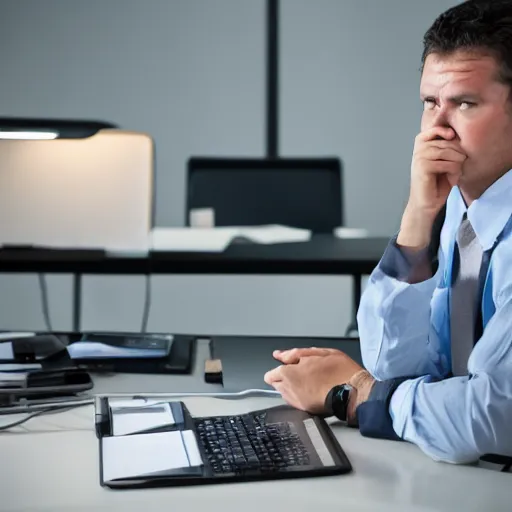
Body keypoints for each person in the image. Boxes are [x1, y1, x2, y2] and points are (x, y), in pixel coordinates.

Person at [264, 0, 512, 465]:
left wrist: (356, 395)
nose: (437, 129)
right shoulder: (459, 205)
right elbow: (401, 367)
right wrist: (417, 219)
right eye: (430, 103)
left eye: (464, 103)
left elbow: (492, 417)